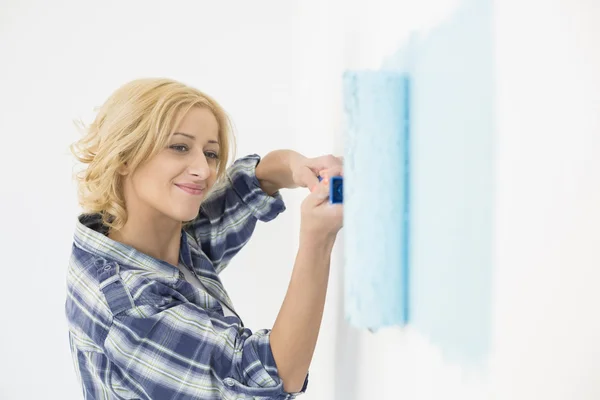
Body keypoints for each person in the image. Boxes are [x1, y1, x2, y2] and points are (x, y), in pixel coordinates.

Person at [65, 77, 343, 400]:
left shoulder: (137, 230)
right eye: (179, 147)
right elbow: (269, 377)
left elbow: (240, 191)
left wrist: (295, 167)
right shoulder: (131, 310)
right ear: (125, 155)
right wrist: (317, 241)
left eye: (210, 153)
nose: (203, 170)